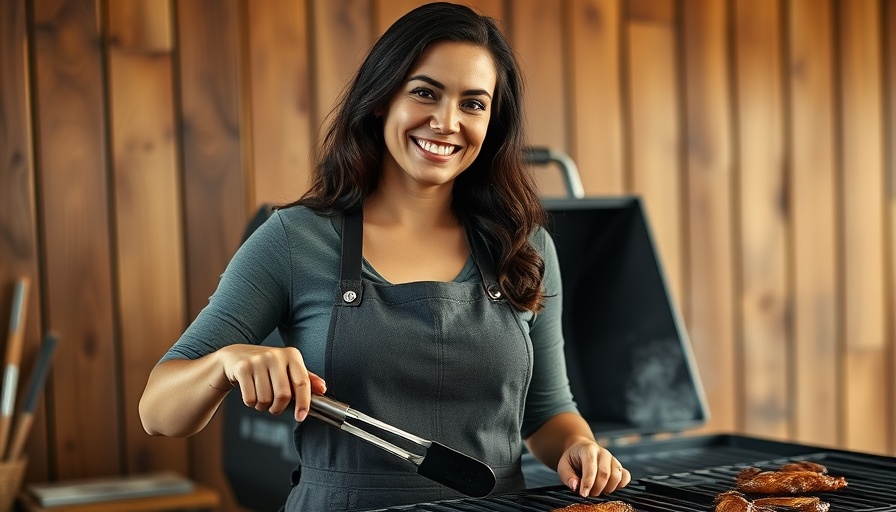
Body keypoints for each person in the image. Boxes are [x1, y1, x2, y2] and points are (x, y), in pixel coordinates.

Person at [139, 2, 630, 510]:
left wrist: (579, 446)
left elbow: (549, 412)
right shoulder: (294, 239)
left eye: (473, 104)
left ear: (492, 121)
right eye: (425, 93)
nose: (446, 122)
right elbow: (158, 410)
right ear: (381, 100)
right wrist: (225, 363)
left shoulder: (523, 247)